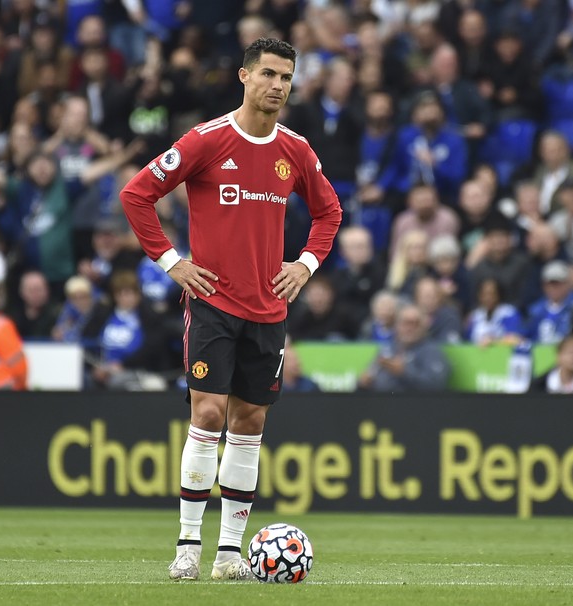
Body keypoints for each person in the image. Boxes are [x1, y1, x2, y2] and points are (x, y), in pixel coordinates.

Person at [119, 39, 342, 582]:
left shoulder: (296, 150)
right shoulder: (207, 140)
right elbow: (136, 194)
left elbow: (330, 211)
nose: (278, 85)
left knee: (249, 424)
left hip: (269, 310)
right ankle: (188, 548)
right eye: (268, 74)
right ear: (244, 77)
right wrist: (172, 263)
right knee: (209, 415)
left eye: (286, 77)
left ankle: (228, 556)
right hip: (214, 303)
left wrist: (306, 265)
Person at [358, 304, 451, 393]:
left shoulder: (431, 351)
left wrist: (404, 372)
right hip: (381, 403)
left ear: (424, 326)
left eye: (415, 323)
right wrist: (363, 383)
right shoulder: (388, 349)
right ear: (397, 325)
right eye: (405, 323)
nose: (409, 328)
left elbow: (437, 385)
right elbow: (368, 376)